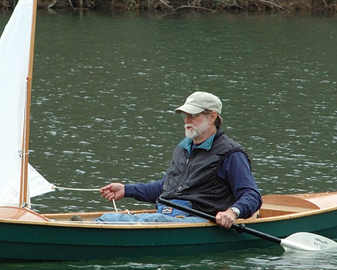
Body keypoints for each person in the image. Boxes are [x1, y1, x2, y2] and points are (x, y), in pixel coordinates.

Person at [99, 91, 261, 229]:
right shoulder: (183, 148)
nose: (186, 120)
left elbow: (252, 195)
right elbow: (167, 187)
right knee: (107, 218)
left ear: (212, 117)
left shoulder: (231, 154)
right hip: (165, 217)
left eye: (193, 116)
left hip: (196, 219)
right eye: (186, 115)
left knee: (138, 221)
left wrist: (232, 213)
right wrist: (127, 189)